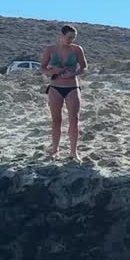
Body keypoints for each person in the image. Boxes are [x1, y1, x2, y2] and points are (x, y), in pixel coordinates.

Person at [40, 25, 88, 161]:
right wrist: (52, 71)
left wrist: (74, 72)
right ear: (61, 36)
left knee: (74, 119)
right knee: (56, 120)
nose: (71, 40)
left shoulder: (77, 49)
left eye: (73, 38)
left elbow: (84, 67)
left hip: (72, 86)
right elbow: (43, 67)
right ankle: (55, 150)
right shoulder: (50, 50)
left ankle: (73, 151)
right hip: (55, 87)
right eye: (69, 37)